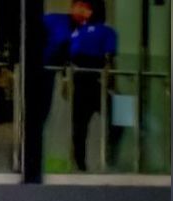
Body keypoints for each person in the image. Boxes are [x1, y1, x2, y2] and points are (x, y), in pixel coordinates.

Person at [41, 1, 118, 171]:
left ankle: (87, 162)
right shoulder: (61, 24)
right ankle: (85, 163)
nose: (84, 12)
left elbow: (72, 56)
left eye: (88, 9)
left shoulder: (84, 32)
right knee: (78, 125)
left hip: (85, 83)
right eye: (81, 7)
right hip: (81, 81)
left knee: (80, 125)